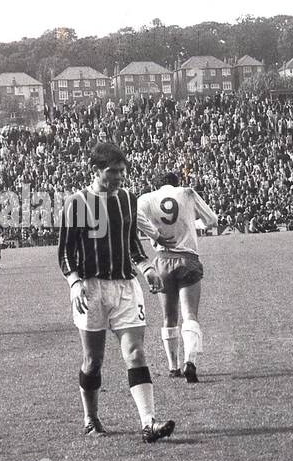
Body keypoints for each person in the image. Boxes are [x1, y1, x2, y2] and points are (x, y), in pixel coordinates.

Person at [58, 142, 174, 441]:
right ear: (96, 170)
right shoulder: (77, 202)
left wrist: (146, 267)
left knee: (135, 353)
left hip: (125, 287)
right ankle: (91, 417)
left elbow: (131, 242)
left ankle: (148, 423)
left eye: (123, 171)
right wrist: (74, 284)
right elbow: (66, 253)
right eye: (113, 171)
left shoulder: (127, 199)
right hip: (90, 288)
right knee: (93, 361)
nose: (120, 176)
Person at [136, 171, 218, 383]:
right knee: (190, 315)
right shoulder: (187, 192)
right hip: (187, 258)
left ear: (156, 185)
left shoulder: (146, 198)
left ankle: (173, 366)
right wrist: (193, 223)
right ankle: (190, 361)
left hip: (162, 260)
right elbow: (212, 220)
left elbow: (133, 217)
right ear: (176, 183)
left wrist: (155, 234)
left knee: (168, 316)